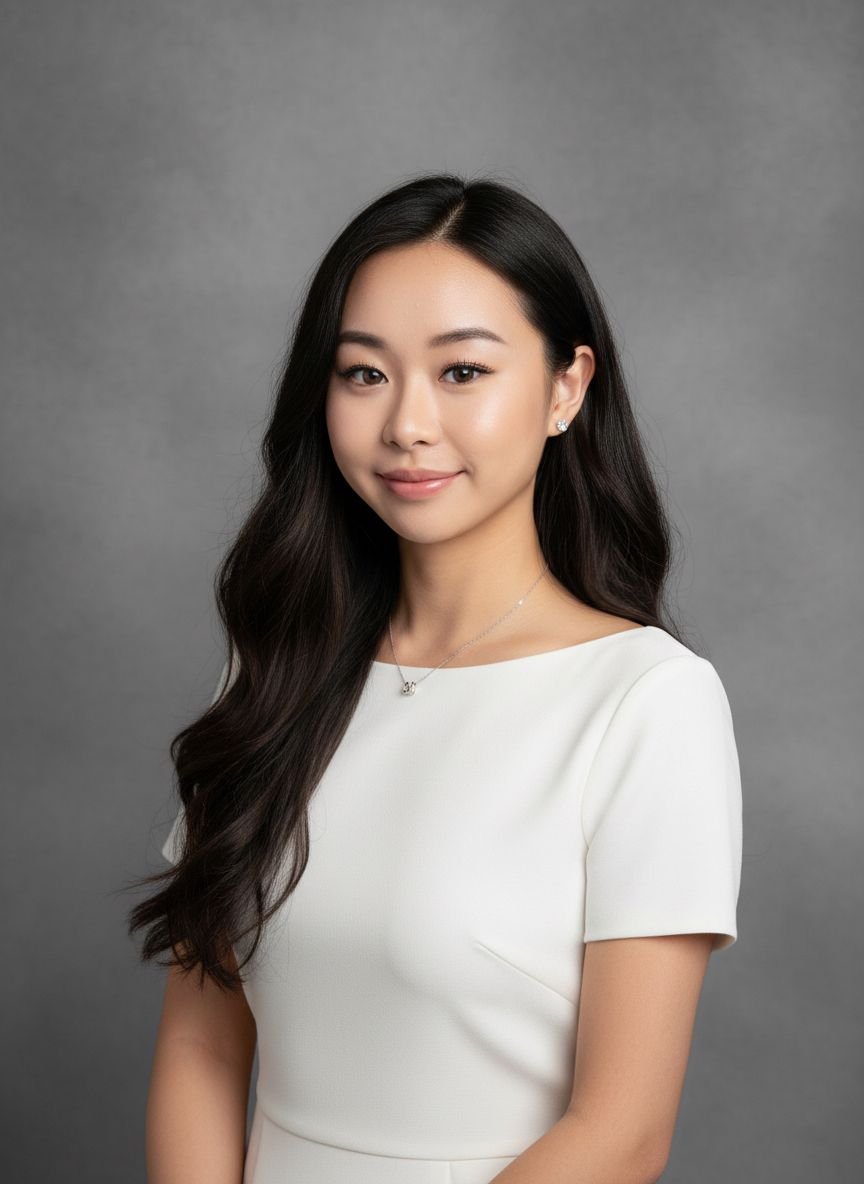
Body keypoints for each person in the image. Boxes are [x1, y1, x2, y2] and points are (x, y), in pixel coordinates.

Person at [130, 172, 743, 1184]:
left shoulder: (648, 700)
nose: (407, 423)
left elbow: (622, 1132)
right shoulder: (281, 661)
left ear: (566, 387)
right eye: (363, 373)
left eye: (462, 372)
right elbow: (200, 1046)